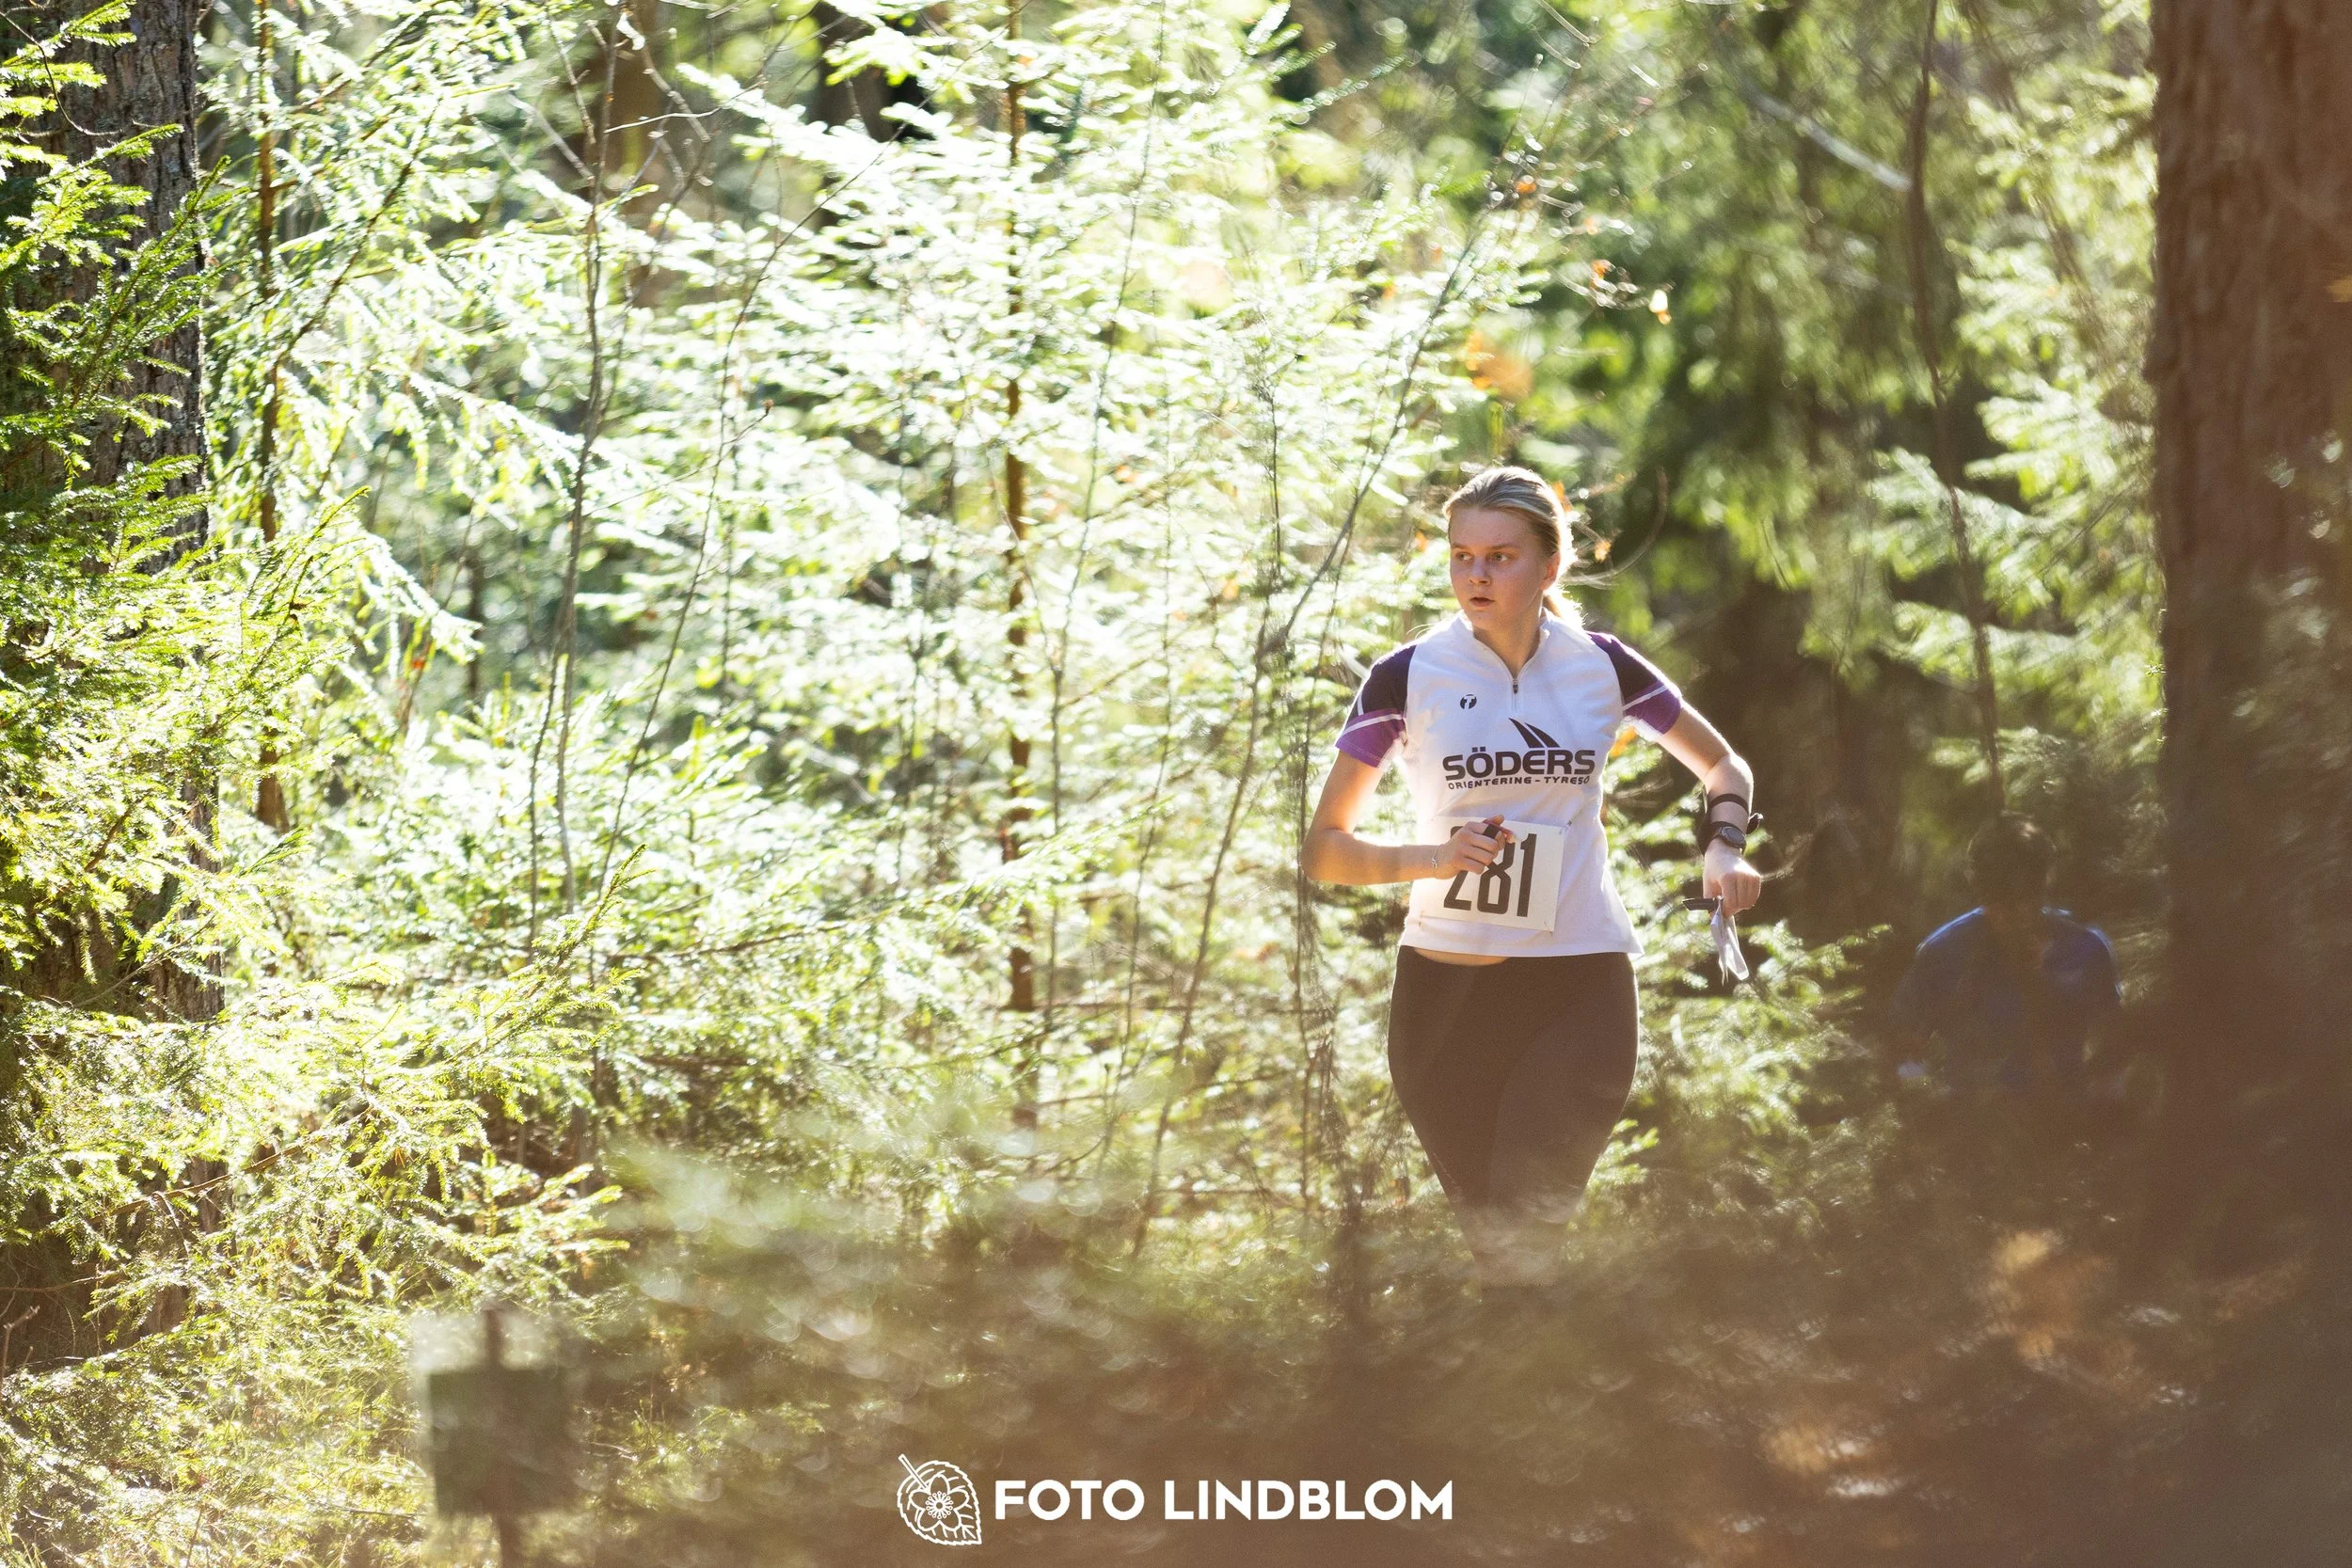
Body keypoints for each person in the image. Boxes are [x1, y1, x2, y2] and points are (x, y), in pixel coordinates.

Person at [1300, 465, 1763, 1299]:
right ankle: (1521, 1414)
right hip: (1444, 996)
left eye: (1501, 557)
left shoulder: (1604, 667)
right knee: (1497, 1248)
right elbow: (1324, 850)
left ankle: (1557, 1409)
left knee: (1528, 1225)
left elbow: (1724, 765)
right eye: (1462, 556)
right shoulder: (1406, 676)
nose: (1476, 574)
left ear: (1551, 566)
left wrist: (1723, 848)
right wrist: (1430, 858)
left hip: (1578, 984)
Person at [1891, 816, 2121, 1096]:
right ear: (1979, 888)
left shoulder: (2086, 951)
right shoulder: (1942, 954)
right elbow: (1904, 1052)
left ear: (2047, 881)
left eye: (2031, 894)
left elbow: (2113, 1045)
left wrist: (2101, 1109)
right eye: (2002, 899)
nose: (2020, 910)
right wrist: (1931, 1102)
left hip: (2063, 1118)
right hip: (1972, 1123)